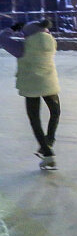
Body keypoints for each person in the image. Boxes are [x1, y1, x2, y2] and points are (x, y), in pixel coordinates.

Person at [0, 19, 61, 170]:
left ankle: (47, 153)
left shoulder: (23, 47)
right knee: (55, 112)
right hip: (49, 82)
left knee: (35, 119)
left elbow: (2, 38)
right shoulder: (51, 42)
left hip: (31, 85)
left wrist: (13, 28)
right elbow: (43, 31)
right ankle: (50, 139)